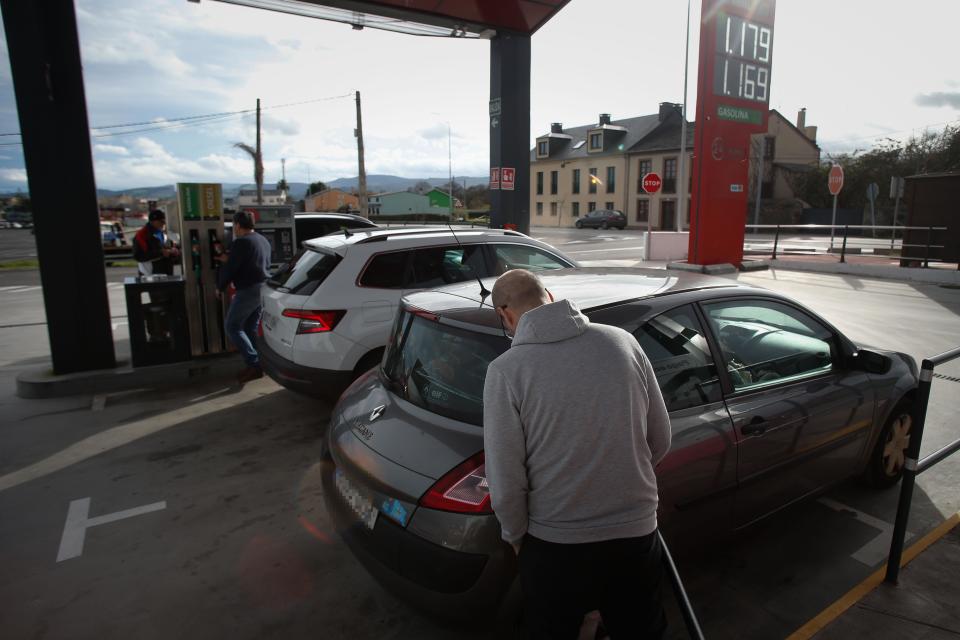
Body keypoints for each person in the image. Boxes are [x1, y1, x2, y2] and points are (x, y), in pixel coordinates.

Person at [482, 269, 672, 640]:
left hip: (556, 547)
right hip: (635, 534)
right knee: (641, 629)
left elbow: (505, 483)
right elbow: (660, 439)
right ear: (549, 296)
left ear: (505, 315)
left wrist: (517, 538)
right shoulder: (623, 342)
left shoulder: (506, 371)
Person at [216, 210, 272, 384]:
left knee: (232, 326)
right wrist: (230, 258)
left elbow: (233, 267)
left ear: (238, 225)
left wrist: (220, 286)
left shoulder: (241, 242)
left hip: (248, 289)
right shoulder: (262, 240)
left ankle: (254, 364)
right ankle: (258, 364)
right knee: (250, 327)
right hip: (262, 287)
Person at [133, 210, 180, 276]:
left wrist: (173, 251)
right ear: (153, 221)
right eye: (161, 221)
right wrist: (161, 253)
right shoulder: (142, 235)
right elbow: (138, 256)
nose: (163, 223)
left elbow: (164, 249)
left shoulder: (161, 233)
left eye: (164, 221)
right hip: (149, 274)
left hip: (165, 272)